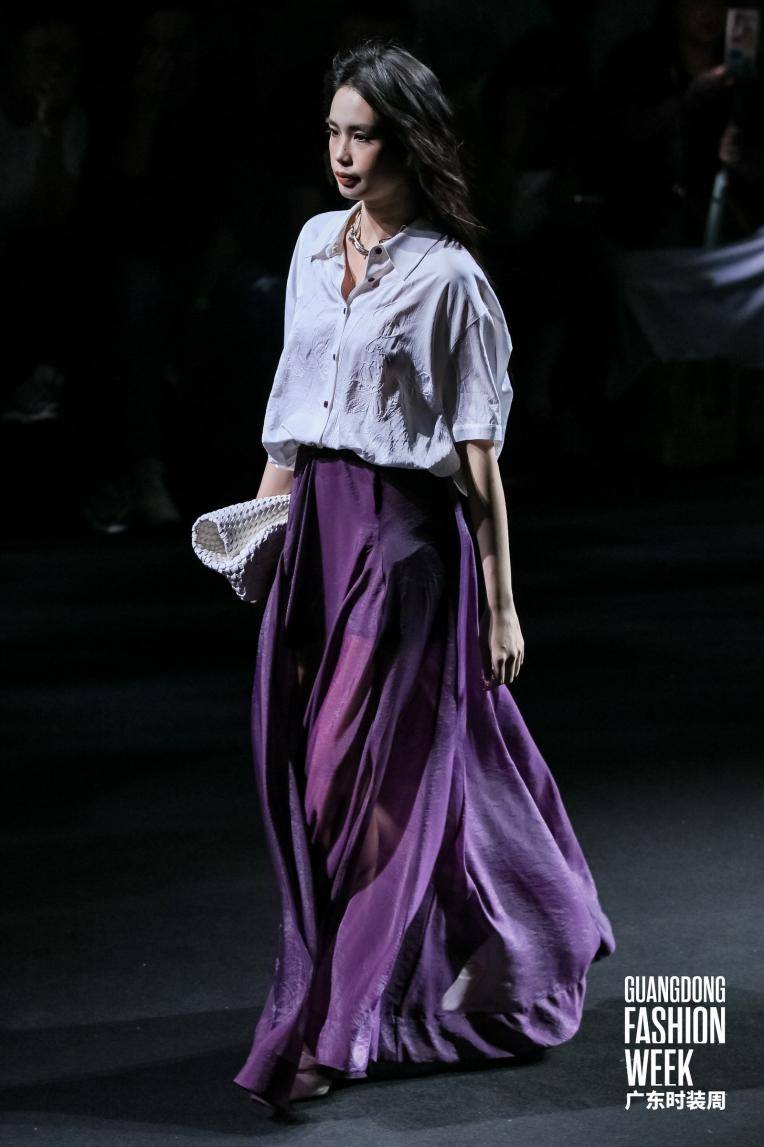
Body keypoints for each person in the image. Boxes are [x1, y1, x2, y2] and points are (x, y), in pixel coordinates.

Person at [232, 39, 616, 1114]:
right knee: (326, 782)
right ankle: (508, 937)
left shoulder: (450, 279)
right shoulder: (313, 245)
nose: (342, 154)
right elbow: (290, 404)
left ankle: (331, 1026)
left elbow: (479, 459)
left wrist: (501, 603)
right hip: (317, 532)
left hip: (405, 547)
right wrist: (262, 531)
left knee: (351, 791)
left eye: (363, 136)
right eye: (333, 132)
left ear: (408, 143)